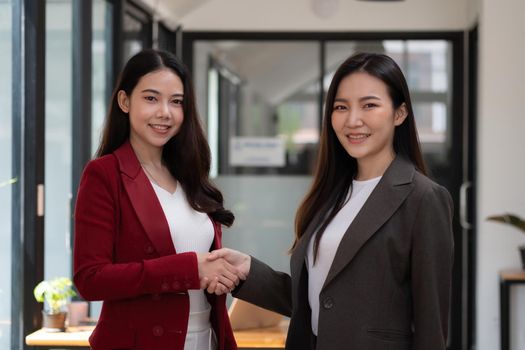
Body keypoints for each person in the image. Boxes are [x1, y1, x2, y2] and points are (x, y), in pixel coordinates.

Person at [208, 52, 454, 350]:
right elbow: (319, 300)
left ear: (399, 113)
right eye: (341, 107)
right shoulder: (331, 194)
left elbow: (431, 326)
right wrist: (249, 269)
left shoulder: (423, 198)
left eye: (369, 105)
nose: (352, 120)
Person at [73, 49, 242, 350]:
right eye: (151, 98)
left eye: (176, 101)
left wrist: (219, 273)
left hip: (207, 338)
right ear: (124, 102)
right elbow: (90, 278)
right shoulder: (104, 174)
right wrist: (190, 270)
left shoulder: (190, 174)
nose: (165, 112)